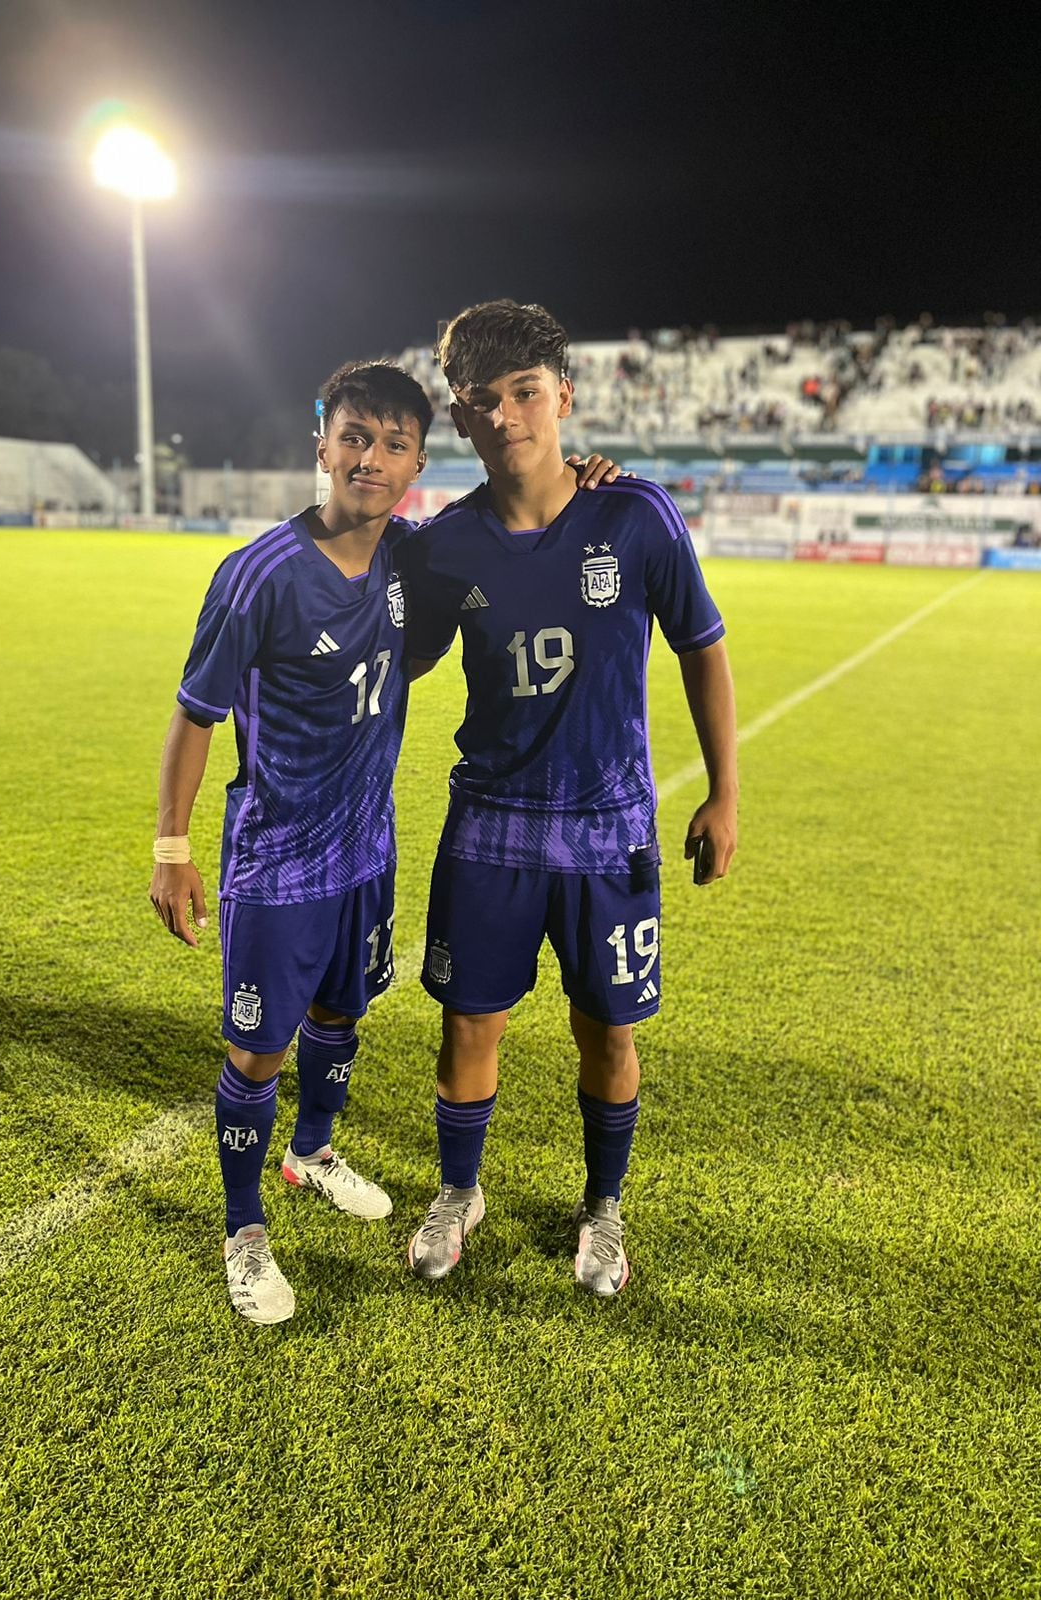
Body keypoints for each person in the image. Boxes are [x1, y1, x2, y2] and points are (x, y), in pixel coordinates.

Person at [149, 357, 621, 1324]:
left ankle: (312, 1152)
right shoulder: (257, 576)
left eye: (394, 444)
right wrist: (172, 849)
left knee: (341, 1015)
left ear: (415, 463)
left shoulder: (414, 554)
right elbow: (194, 714)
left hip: (367, 850)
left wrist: (592, 485)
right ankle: (244, 1234)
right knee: (256, 1054)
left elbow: (515, 518)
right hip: (279, 863)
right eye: (354, 438)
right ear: (322, 444)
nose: (371, 458)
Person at [402, 300, 738, 1297]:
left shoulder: (633, 514)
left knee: (609, 1030)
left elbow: (702, 647)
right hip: (488, 830)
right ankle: (460, 1192)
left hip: (608, 830)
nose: (508, 417)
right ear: (462, 419)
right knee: (469, 1024)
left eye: (526, 392)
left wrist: (725, 793)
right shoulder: (444, 546)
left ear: (564, 397)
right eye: (483, 401)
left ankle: (603, 1206)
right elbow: (404, 658)